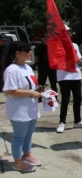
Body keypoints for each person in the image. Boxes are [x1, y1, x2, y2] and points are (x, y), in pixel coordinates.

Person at [4, 41, 43, 172]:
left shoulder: (27, 67)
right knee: (19, 136)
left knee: (29, 134)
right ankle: (17, 162)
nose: (30, 52)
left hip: (30, 107)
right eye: (27, 50)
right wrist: (31, 93)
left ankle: (27, 155)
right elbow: (11, 91)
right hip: (19, 109)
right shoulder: (11, 70)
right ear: (17, 53)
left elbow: (31, 84)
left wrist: (40, 91)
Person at [56, 27, 82, 133]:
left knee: (78, 98)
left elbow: (80, 61)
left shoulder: (75, 45)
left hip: (75, 75)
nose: (69, 34)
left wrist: (76, 58)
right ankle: (62, 122)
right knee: (65, 99)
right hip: (63, 75)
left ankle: (77, 120)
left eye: (70, 32)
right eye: (66, 32)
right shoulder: (57, 45)